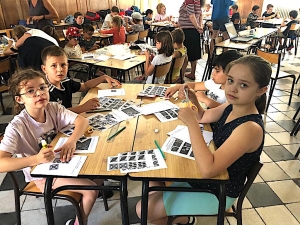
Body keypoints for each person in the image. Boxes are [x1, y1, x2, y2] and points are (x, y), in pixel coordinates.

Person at [136, 54, 271, 225]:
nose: (233, 89)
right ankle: (178, 217)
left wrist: (192, 124)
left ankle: (182, 218)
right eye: (230, 81)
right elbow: (204, 116)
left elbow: (209, 169)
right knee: (153, 179)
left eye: (243, 85)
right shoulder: (231, 106)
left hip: (219, 190)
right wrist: (194, 99)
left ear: (261, 90)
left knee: (143, 209)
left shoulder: (250, 128)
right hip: (206, 178)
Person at [0, 69, 99, 225]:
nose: (39, 93)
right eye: (30, 91)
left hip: (60, 162)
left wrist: (71, 141)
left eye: (42, 87)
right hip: (42, 175)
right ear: (19, 99)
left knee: (97, 170)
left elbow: (82, 121)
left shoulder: (53, 108)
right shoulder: (17, 126)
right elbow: (1, 163)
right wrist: (36, 159)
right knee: (92, 190)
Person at [41, 45, 121, 114]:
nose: (59, 70)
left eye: (63, 65)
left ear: (67, 65)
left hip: (70, 121)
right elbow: (57, 114)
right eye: (53, 66)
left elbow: (85, 86)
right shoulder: (45, 91)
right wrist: (82, 107)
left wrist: (103, 77)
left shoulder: (65, 81)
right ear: (44, 69)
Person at [166, 50, 243, 108]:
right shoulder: (214, 83)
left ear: (231, 74)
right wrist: (177, 87)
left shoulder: (232, 93)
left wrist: (206, 99)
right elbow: (195, 85)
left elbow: (228, 111)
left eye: (217, 71)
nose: (213, 73)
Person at [178, 0, 204, 81]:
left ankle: (181, 77)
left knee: (184, 54)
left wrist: (197, 27)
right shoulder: (198, 1)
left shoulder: (190, 0)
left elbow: (191, 16)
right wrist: (199, 26)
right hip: (194, 30)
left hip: (187, 30)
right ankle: (192, 73)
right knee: (194, 53)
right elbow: (200, 15)